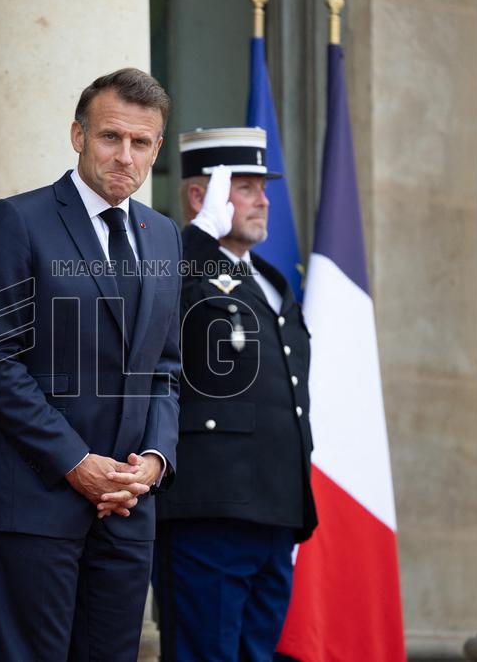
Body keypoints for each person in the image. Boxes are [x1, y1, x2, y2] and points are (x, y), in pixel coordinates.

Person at [0, 68, 182, 661]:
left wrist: (154, 462)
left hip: (129, 508)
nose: (125, 156)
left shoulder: (162, 236)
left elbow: (164, 367)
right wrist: (76, 463)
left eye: (141, 143)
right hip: (38, 499)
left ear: (157, 149)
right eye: (111, 137)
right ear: (78, 136)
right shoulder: (16, 220)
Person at [153, 127, 318, 661]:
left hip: (275, 510)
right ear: (201, 198)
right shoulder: (181, 263)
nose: (264, 200)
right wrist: (198, 238)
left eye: (262, 187)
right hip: (211, 510)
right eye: (245, 187)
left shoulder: (272, 280)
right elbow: (147, 313)